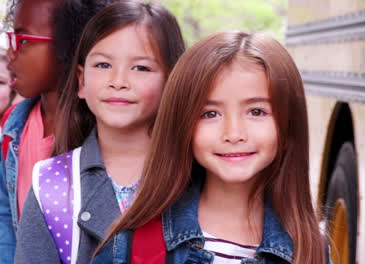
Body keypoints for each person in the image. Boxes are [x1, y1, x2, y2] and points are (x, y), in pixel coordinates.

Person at [94, 31, 328, 264]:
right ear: (182, 126)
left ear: (288, 124)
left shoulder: (310, 249)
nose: (234, 134)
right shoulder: (133, 246)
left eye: (256, 112)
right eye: (210, 114)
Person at [14, 2, 185, 263]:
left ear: (172, 81)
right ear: (81, 81)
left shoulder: (194, 176)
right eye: (103, 65)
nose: (118, 81)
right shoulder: (51, 183)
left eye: (140, 68)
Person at [0, 0, 119, 262]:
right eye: (11, 37)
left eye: (23, 39)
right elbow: (5, 224)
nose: (11, 52)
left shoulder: (113, 139)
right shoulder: (12, 130)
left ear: (72, 44)